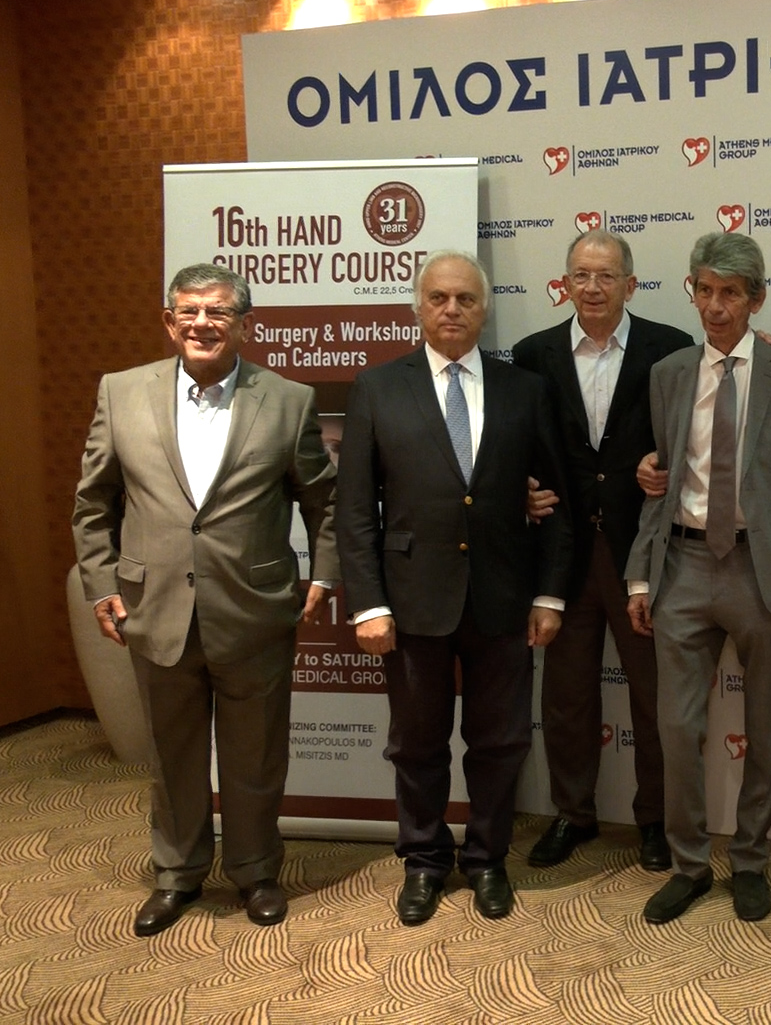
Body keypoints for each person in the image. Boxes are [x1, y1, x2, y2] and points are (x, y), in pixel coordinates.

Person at [74, 262, 337, 936]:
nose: (202, 324)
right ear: (169, 322)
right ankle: (177, 874)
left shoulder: (289, 400)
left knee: (255, 756)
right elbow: (93, 503)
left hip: (254, 611)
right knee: (173, 756)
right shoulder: (121, 393)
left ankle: (255, 871)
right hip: (155, 609)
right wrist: (101, 586)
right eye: (188, 312)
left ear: (244, 324)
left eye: (218, 312)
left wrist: (324, 576)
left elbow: (325, 502)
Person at [338, 251, 573, 925]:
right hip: (411, 601)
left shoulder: (524, 389)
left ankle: (487, 859)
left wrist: (549, 595)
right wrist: (369, 603)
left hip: (504, 598)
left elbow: (556, 501)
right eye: (439, 297)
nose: (451, 309)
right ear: (418, 307)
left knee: (500, 742)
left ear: (484, 308)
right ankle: (424, 861)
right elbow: (354, 509)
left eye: (465, 299)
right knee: (416, 744)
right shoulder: (378, 388)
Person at [623, 231, 771, 924]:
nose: (714, 306)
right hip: (681, 565)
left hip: (760, 570)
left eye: (730, 293)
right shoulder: (670, 373)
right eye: (704, 290)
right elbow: (661, 481)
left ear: (756, 299)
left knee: (765, 728)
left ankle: (749, 861)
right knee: (676, 729)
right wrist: (640, 576)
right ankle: (688, 865)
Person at [511, 230, 692, 872]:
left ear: (630, 285)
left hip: (641, 550)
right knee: (566, 696)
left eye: (606, 276)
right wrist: (518, 489)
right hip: (561, 551)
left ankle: (655, 819)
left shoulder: (671, 348)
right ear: (564, 284)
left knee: (653, 696)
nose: (592, 288)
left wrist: (661, 462)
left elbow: (697, 437)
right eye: (581, 276)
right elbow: (514, 442)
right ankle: (573, 813)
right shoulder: (531, 354)